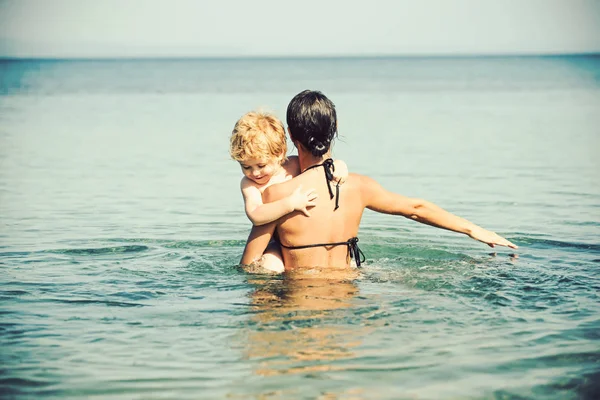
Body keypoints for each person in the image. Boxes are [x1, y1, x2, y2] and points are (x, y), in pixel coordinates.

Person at [240, 90, 517, 270]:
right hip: (348, 300)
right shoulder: (358, 186)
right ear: (335, 130)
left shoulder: (277, 196)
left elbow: (249, 265)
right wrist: (474, 230)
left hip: (297, 303)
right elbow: (416, 209)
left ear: (290, 135)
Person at [230, 110, 348, 272]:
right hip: (275, 242)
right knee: (271, 266)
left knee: (347, 262)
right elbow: (256, 215)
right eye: (246, 167)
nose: (255, 173)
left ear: (279, 153)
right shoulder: (249, 184)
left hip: (300, 238)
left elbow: (320, 168)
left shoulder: (293, 164)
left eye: (261, 165)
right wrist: (290, 204)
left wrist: (339, 165)